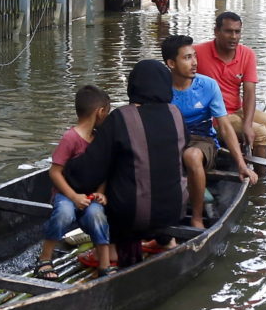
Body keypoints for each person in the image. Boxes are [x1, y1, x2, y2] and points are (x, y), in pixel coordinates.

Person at [64, 60, 190, 269]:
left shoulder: (122, 117)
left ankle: (112, 249)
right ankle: (167, 240)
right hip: (175, 210)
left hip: (134, 217)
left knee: (107, 176)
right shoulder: (176, 114)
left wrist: (66, 171)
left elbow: (90, 170)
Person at [162, 33, 259, 226]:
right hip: (170, 139)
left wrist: (240, 163)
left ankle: (197, 217)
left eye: (194, 56)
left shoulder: (207, 85)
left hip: (201, 140)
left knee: (191, 156)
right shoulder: (160, 86)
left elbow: (224, 126)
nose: (195, 63)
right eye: (187, 58)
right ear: (171, 63)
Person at [195, 10, 266, 163]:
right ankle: (259, 180)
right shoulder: (197, 52)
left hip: (238, 109)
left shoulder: (247, 54)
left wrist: (247, 125)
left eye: (237, 32)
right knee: (260, 133)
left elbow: (249, 93)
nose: (233, 36)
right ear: (216, 31)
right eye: (228, 31)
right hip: (215, 116)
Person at [38, 85, 116, 279]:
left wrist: (101, 192)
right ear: (100, 112)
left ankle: (104, 265)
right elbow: (55, 172)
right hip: (66, 194)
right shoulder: (70, 138)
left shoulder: (99, 139)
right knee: (64, 213)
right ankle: (45, 259)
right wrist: (73, 197)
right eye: (107, 112)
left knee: (97, 215)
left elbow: (103, 171)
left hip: (89, 195)